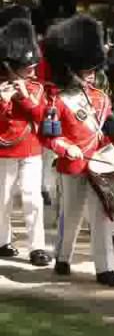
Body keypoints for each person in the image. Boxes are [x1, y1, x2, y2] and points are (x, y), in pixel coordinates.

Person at [42, 15, 114, 287]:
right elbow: (50, 137)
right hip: (73, 164)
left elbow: (109, 127)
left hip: (98, 163)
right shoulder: (59, 100)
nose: (91, 75)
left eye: (92, 71)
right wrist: (67, 148)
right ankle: (63, 256)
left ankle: (105, 268)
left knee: (102, 214)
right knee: (72, 213)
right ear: (72, 69)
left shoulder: (102, 97)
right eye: (86, 71)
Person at [0, 18, 50, 266]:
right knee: (3, 198)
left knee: (33, 198)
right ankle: (2, 240)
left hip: (30, 149)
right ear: (10, 65)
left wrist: (24, 97)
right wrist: (4, 101)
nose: (31, 69)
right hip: (4, 151)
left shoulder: (36, 88)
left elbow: (41, 114)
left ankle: (37, 246)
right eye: (25, 66)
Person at [35, 0, 78, 209]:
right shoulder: (42, 47)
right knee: (46, 148)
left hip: (71, 100)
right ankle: (45, 186)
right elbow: (39, 76)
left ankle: (61, 191)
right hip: (49, 99)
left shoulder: (75, 44)